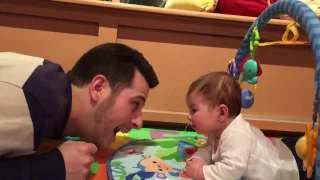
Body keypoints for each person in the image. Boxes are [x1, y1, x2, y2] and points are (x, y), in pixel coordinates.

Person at [0, 43, 159, 180]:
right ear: (99, 88)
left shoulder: (53, 93)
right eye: (135, 104)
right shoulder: (32, 100)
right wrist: (50, 170)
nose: (139, 123)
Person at [182, 71, 300, 180]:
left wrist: (201, 172)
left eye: (194, 110)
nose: (189, 116)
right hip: (282, 148)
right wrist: (198, 159)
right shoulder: (218, 129)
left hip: (291, 166)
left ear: (221, 113)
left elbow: (231, 170)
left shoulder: (237, 135)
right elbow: (208, 149)